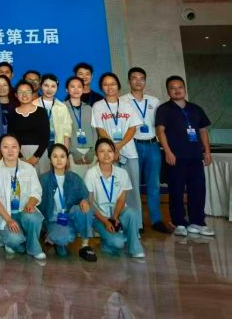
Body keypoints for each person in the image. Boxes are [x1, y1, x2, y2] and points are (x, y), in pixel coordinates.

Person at [155, 75, 214, 237]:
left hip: (195, 156)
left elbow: (203, 131)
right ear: (168, 91)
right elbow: (160, 131)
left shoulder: (196, 108)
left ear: (184, 89)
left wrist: (207, 152)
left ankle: (197, 222)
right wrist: (168, 152)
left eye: (180, 87)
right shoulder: (164, 109)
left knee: (198, 189)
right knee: (176, 190)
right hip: (175, 157)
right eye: (173, 88)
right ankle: (179, 222)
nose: (177, 90)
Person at [91, 72, 143, 230]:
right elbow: (100, 129)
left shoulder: (128, 105)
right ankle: (115, 222)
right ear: (101, 87)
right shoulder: (98, 106)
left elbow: (132, 128)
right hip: (107, 155)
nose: (109, 87)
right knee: (112, 190)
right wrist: (112, 150)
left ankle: (136, 224)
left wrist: (118, 146)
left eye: (113, 84)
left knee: (132, 189)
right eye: (105, 84)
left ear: (118, 86)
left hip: (129, 153)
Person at [121, 67, 168, 234]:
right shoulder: (122, 101)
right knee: (132, 185)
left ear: (145, 81)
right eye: (134, 78)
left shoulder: (154, 101)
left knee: (154, 184)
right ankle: (136, 221)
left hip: (152, 145)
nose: (138, 81)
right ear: (129, 81)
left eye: (141, 78)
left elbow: (160, 125)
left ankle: (156, 220)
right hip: (132, 145)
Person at [0, 133, 46, 260]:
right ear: (0, 149)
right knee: (15, 240)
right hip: (5, 215)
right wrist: (9, 220)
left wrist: (30, 204)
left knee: (34, 218)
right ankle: (14, 242)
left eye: (14, 147)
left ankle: (34, 249)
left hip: (23, 211)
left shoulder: (28, 168)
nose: (10, 150)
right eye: (5, 147)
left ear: (19, 148)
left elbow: (36, 191)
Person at [85, 138, 145, 258]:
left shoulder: (122, 173)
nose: (106, 155)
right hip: (99, 217)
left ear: (115, 153)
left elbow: (122, 199)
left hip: (117, 213)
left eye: (110, 151)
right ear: (96, 154)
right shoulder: (91, 174)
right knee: (117, 243)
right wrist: (105, 221)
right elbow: (90, 203)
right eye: (102, 151)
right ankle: (110, 240)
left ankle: (134, 247)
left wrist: (115, 216)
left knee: (132, 213)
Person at [39, 144, 96, 261]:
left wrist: (84, 200)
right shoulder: (44, 179)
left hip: (70, 217)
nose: (59, 160)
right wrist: (44, 227)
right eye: (55, 156)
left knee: (86, 209)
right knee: (63, 247)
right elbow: (39, 206)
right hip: (54, 220)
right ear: (50, 159)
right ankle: (55, 237)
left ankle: (85, 245)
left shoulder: (75, 178)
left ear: (67, 159)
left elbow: (84, 195)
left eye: (62, 156)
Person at [7, 81, 49, 174]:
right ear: (16, 95)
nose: (24, 94)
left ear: (33, 94)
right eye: (21, 92)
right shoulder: (12, 113)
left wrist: (35, 157)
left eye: (27, 91)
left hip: (40, 154)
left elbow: (46, 137)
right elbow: (11, 138)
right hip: (19, 154)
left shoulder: (41, 112)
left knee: (41, 180)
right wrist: (20, 157)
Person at [36, 74, 72, 174]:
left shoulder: (62, 106)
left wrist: (65, 152)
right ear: (40, 86)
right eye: (46, 85)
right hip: (39, 146)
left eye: (53, 86)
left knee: (57, 174)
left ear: (57, 88)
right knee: (41, 174)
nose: (49, 89)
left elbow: (67, 131)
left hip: (57, 144)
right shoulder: (34, 105)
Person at [64, 76, 95, 179]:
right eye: (72, 86)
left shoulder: (88, 108)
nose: (76, 89)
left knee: (92, 182)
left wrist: (93, 150)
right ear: (67, 90)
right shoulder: (62, 108)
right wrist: (72, 151)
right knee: (77, 182)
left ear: (83, 89)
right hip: (72, 152)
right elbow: (62, 133)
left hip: (90, 152)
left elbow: (94, 130)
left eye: (79, 86)